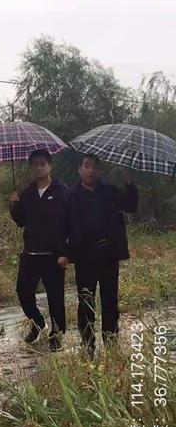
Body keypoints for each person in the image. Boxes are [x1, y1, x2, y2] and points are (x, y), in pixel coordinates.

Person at [68, 154, 138, 359]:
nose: (91, 170)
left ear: (99, 171)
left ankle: (111, 344)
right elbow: (61, 224)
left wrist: (130, 184)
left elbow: (131, 206)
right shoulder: (71, 195)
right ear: (79, 170)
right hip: (84, 257)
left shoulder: (111, 192)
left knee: (109, 301)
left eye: (95, 167)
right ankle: (88, 346)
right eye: (87, 166)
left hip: (109, 255)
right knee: (86, 302)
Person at [9, 149, 69, 352]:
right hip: (31, 253)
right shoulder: (27, 193)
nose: (39, 167)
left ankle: (57, 334)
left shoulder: (61, 191)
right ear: (31, 167)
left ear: (50, 166)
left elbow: (68, 223)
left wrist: (64, 252)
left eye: (43, 163)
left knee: (55, 296)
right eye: (35, 164)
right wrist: (14, 204)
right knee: (23, 291)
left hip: (53, 255)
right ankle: (37, 322)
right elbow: (20, 221)